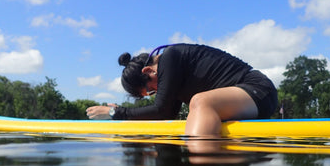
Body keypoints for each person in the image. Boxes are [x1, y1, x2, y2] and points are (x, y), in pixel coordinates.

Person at [86, 43, 278, 137]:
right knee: (198, 105)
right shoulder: (174, 77)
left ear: (148, 71)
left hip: (257, 90)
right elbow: (165, 114)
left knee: (200, 102)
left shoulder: (170, 56)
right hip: (243, 104)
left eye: (151, 91)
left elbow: (160, 109)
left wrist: (114, 112)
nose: (155, 94)